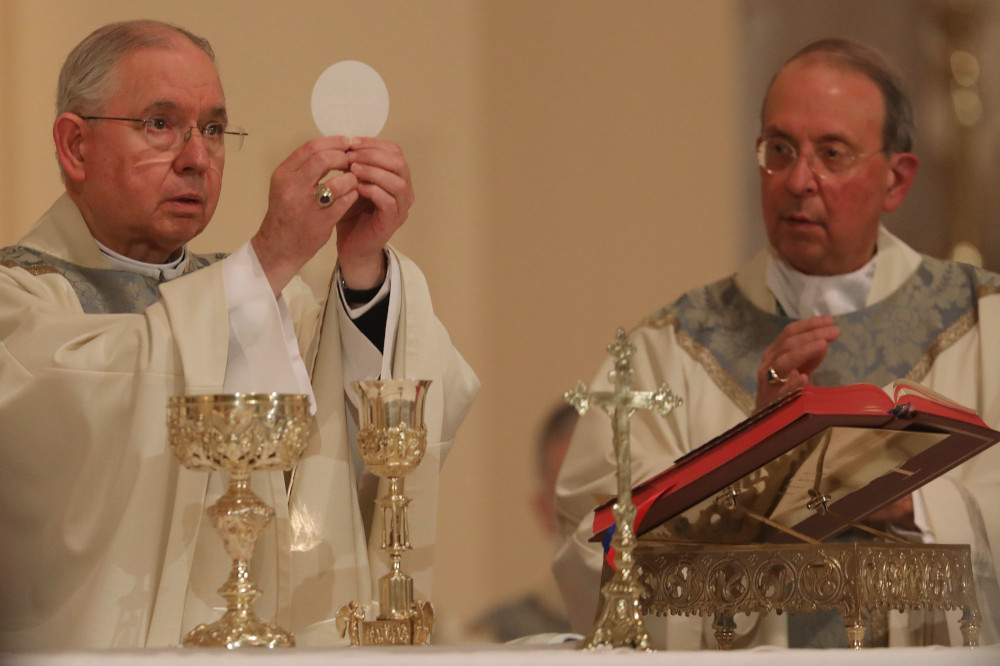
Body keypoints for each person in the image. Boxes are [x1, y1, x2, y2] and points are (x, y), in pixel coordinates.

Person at [0, 20, 479, 650]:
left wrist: (362, 272)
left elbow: (398, 424)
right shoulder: (21, 298)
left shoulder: (273, 302)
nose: (197, 158)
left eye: (215, 130)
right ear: (75, 146)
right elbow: (82, 415)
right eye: (160, 124)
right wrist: (271, 258)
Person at [553, 38, 1000, 649]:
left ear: (896, 180)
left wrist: (912, 505)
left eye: (832, 154)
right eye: (780, 150)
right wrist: (754, 461)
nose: (798, 181)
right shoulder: (672, 348)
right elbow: (596, 543)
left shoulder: (983, 323)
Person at [468, 404, 576, 643]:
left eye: (606, 493)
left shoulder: (669, 629)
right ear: (544, 510)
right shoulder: (496, 639)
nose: (593, 517)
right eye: (571, 497)